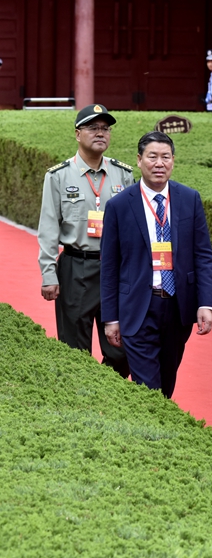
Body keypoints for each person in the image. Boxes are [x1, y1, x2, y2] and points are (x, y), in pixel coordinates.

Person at [100, 131, 212, 398]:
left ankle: (158, 421)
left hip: (178, 306)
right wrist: (111, 318)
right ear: (139, 160)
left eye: (166, 157)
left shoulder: (190, 198)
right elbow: (109, 266)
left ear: (173, 160)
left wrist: (205, 303)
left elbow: (203, 255)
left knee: (166, 383)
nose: (159, 163)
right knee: (147, 388)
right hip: (138, 306)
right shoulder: (119, 205)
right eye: (152, 157)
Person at [37, 104, 134, 377]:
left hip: (114, 270)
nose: (100, 133)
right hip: (76, 267)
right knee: (74, 349)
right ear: (78, 134)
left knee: (122, 349)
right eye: (93, 128)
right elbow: (48, 227)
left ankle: (104, 390)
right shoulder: (58, 176)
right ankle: (81, 396)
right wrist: (48, 274)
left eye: (105, 128)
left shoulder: (123, 174)